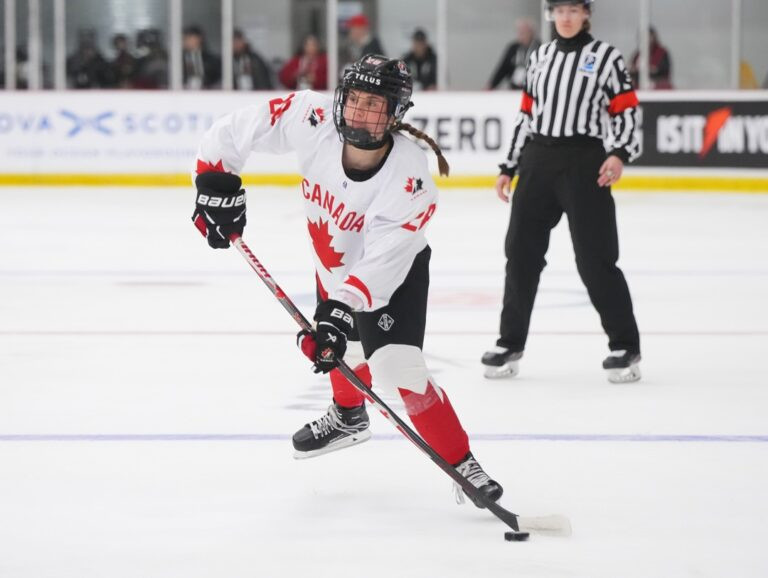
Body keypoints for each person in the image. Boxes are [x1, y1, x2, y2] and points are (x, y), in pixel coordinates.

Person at [191, 54, 504, 506]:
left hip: (393, 276)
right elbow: (235, 131)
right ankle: (349, 417)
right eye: (354, 99)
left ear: (394, 113)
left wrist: (340, 308)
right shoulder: (311, 116)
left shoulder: (409, 176)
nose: (359, 111)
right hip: (333, 266)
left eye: (374, 104)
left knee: (397, 368)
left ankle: (461, 463)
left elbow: (382, 259)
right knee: (342, 349)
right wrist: (213, 183)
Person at [482, 0, 642, 384]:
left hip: (584, 163)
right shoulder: (539, 57)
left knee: (595, 258)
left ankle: (625, 346)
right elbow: (526, 114)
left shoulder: (606, 57)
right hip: (537, 161)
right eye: (560, 11)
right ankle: (509, 342)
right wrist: (509, 165)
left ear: (586, 14)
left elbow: (627, 111)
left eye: (573, 10)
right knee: (520, 254)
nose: (566, 18)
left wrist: (619, 153)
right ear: (550, 14)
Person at [487, 18, 540, 90]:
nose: (521, 34)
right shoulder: (513, 48)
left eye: (524, 31)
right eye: (519, 31)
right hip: (514, 88)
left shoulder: (540, 48)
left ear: (532, 32)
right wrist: (491, 85)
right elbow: (503, 68)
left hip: (533, 88)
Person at [182, 25, 221, 90]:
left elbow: (218, 80)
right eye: (184, 39)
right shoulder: (179, 61)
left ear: (199, 38)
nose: (186, 41)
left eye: (189, 38)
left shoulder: (212, 60)